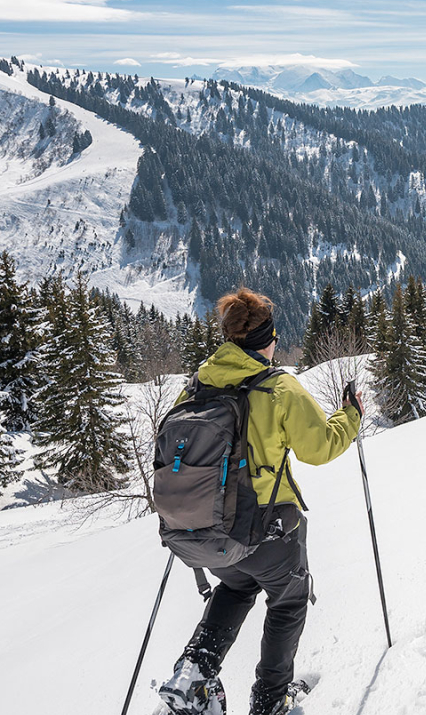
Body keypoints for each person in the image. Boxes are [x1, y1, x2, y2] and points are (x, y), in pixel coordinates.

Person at [160, 288, 360, 715]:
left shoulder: (198, 384)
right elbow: (320, 447)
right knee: (288, 600)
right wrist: (352, 416)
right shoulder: (279, 387)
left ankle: (194, 670)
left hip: (208, 534)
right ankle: (270, 700)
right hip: (266, 531)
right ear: (265, 340)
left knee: (235, 585)